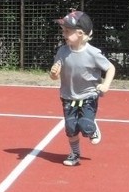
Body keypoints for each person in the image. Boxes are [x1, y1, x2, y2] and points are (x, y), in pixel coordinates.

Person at [49, 10, 115, 166]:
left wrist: (105, 85)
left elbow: (110, 68)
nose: (63, 34)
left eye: (67, 31)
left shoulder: (93, 53)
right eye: (63, 30)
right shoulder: (62, 51)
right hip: (68, 96)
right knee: (71, 128)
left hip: (88, 95)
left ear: (80, 33)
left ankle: (91, 128)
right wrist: (53, 74)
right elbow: (54, 74)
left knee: (85, 126)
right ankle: (75, 154)